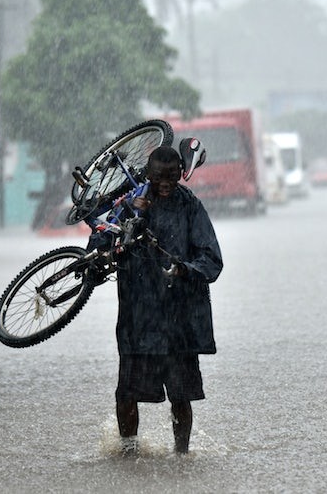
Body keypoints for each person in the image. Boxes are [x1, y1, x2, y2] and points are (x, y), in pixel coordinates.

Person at [100, 145, 223, 456]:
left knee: (181, 396)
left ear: (180, 174)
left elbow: (212, 260)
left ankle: (182, 454)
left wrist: (185, 269)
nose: (165, 184)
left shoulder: (190, 206)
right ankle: (128, 453)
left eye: (171, 177)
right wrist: (125, 218)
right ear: (148, 175)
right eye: (158, 178)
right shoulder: (132, 202)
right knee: (126, 392)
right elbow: (105, 237)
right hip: (138, 316)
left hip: (178, 320)